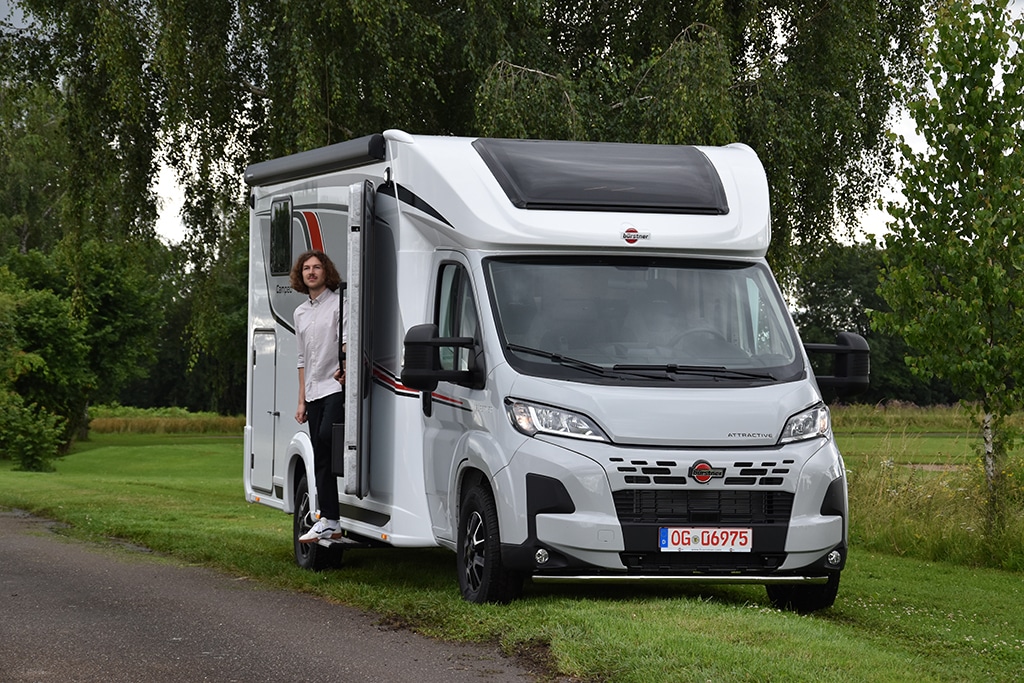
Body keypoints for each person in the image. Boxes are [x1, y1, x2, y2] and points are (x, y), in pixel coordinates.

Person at [290, 249, 347, 543]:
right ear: (301, 276)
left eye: (316, 268)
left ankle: (331, 517)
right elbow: (302, 359)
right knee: (321, 458)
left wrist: (347, 367)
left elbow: (347, 341)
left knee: (326, 438)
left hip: (335, 387)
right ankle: (330, 520)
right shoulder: (299, 313)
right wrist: (301, 400)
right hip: (313, 391)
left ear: (327, 272)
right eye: (306, 269)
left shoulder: (339, 304)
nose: (311, 272)